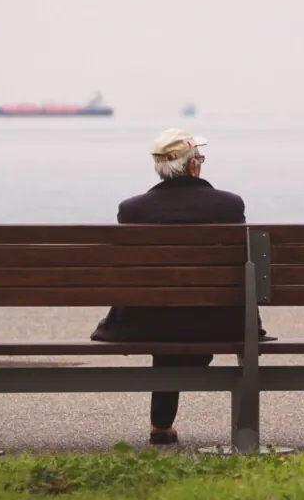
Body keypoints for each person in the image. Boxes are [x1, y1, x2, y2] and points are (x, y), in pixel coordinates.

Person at [90, 128, 271, 445]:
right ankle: (232, 425)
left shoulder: (132, 211)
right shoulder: (228, 206)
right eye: (199, 158)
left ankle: (161, 424)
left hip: (146, 324)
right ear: (193, 167)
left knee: (166, 312)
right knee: (187, 315)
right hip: (220, 324)